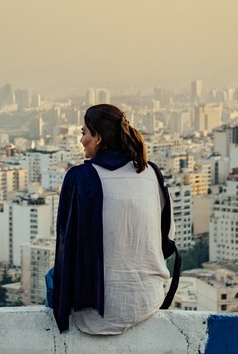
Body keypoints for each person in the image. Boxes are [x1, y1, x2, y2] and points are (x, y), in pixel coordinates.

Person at [51, 104, 172, 335]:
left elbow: (66, 250)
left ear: (97, 137)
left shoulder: (79, 178)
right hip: (149, 299)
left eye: (83, 132)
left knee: (50, 278)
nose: (81, 140)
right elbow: (167, 239)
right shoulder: (151, 173)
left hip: (95, 315)